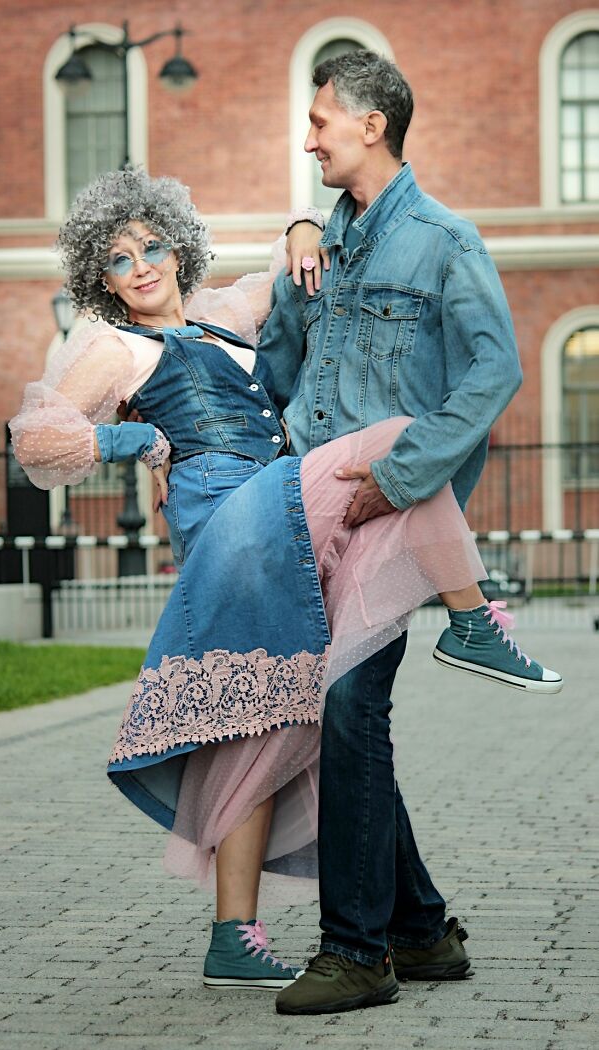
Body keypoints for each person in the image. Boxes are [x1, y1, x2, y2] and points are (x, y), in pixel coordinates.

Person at [9, 165, 559, 996]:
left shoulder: (223, 317)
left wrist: (303, 226)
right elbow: (37, 438)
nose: (144, 265)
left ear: (178, 247)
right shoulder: (107, 345)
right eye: (121, 260)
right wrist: (134, 445)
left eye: (154, 245)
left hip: (280, 525)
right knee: (401, 439)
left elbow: (287, 259)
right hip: (234, 521)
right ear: (103, 277)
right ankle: (473, 618)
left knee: (270, 716)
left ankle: (241, 934)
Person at [252, 50, 559, 1015]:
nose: (308, 139)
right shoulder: (322, 245)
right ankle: (421, 930)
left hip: (393, 510)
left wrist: (401, 477)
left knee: (349, 709)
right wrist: (292, 268)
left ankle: (358, 951)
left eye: (320, 122)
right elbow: (280, 379)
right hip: (312, 512)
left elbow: (493, 371)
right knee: (343, 722)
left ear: (373, 123)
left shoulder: (443, 241)